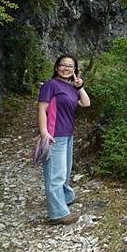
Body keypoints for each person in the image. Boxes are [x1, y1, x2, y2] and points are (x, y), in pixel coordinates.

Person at [37, 54, 91, 225]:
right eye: (63, 65)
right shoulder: (50, 85)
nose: (66, 68)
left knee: (65, 173)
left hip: (68, 135)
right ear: (56, 67)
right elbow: (42, 109)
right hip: (55, 135)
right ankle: (57, 213)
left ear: (75, 70)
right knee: (55, 175)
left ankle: (65, 199)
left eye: (70, 66)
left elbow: (86, 103)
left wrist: (80, 86)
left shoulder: (71, 88)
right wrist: (44, 132)